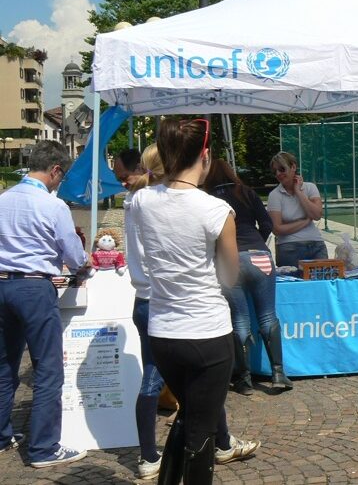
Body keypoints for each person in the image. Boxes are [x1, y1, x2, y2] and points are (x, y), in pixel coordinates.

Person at [129, 120, 259, 484]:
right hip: (207, 334)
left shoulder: (142, 201)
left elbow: (140, 261)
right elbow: (230, 275)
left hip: (163, 332)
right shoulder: (216, 210)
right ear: (204, 156)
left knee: (189, 421)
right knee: (200, 433)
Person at [0, 140, 88, 468]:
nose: (59, 182)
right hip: (35, 288)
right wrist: (83, 261)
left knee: (4, 365)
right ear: (54, 170)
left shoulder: (3, 199)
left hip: (1, 284)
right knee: (48, 369)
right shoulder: (53, 206)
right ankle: (43, 447)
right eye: (61, 176)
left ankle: (1, 435)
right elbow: (74, 255)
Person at [204, 159, 293, 394]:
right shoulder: (246, 192)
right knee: (267, 316)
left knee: (240, 320)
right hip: (258, 256)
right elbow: (266, 224)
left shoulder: (207, 199)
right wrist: (256, 245)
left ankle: (243, 379)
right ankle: (278, 373)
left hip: (228, 259)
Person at [115, 146, 169, 480]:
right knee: (192, 372)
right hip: (162, 300)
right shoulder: (152, 202)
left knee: (159, 373)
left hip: (146, 299)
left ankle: (150, 454)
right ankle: (149, 454)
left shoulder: (135, 202)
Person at [267, 152, 326, 267]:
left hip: (316, 245)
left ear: (293, 167)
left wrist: (298, 192)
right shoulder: (274, 195)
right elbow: (277, 229)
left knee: (321, 283)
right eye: (275, 172)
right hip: (289, 247)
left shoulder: (310, 188)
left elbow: (317, 214)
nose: (278, 174)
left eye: (282, 169)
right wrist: (305, 221)